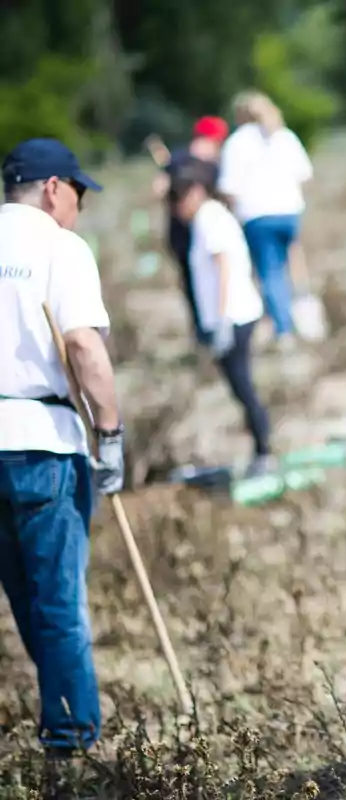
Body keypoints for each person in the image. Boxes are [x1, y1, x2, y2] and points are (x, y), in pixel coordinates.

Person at [0, 138, 125, 757]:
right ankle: (72, 743)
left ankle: (61, 720)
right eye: (76, 191)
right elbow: (84, 348)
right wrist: (110, 431)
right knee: (58, 604)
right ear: (53, 188)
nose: (78, 205)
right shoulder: (59, 246)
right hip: (43, 445)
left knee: (25, 601)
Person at [168, 159, 273, 477]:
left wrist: (224, 319)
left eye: (178, 201)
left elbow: (225, 267)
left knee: (243, 386)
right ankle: (259, 449)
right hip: (229, 316)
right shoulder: (204, 219)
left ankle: (264, 452)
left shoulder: (210, 219)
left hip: (236, 316)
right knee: (238, 386)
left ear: (195, 193)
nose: (176, 210)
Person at [218, 90, 313, 347]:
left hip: (257, 216)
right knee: (291, 265)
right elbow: (305, 173)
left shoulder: (236, 143)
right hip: (290, 212)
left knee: (269, 272)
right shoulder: (284, 136)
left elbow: (229, 187)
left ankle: (283, 330)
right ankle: (304, 319)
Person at [147, 116, 230, 344]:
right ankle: (210, 332)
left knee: (196, 285)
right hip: (191, 235)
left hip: (185, 235)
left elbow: (158, 190)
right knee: (209, 281)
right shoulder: (206, 164)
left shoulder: (177, 159)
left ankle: (206, 332)